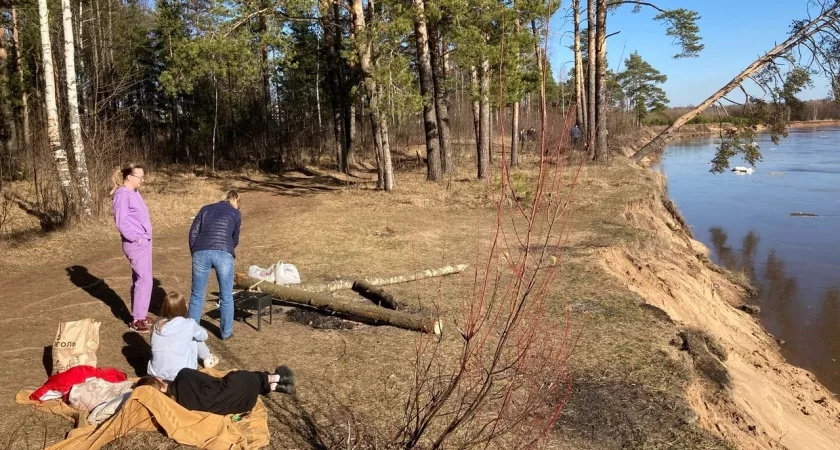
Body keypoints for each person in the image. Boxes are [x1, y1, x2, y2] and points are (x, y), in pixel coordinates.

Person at [187, 190, 242, 340]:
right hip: (224, 253)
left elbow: (193, 233)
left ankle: (191, 333)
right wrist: (228, 249)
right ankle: (226, 333)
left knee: (197, 295)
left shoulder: (205, 209)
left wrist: (195, 251)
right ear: (235, 201)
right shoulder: (236, 213)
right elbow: (234, 238)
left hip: (200, 252)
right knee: (226, 295)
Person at [136, 366, 295, 415]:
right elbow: (214, 380)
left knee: (243, 384)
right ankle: (277, 378)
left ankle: (275, 387)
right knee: (241, 377)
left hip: (245, 405)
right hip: (238, 390)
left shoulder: (176, 409)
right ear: (159, 380)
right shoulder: (184, 376)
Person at [111, 164, 154, 333]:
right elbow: (121, 222)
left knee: (144, 279)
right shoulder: (122, 194)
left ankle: (141, 314)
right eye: (139, 177)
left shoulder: (134, 192)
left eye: (143, 177)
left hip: (145, 242)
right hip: (136, 244)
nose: (142, 180)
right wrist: (137, 238)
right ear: (129, 177)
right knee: (144, 279)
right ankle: (136, 319)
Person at [148, 292, 219, 381]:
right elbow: (204, 336)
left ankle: (207, 357)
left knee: (186, 336)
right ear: (183, 307)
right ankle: (207, 357)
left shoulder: (157, 325)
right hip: (181, 374)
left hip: (156, 372)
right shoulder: (189, 324)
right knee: (195, 337)